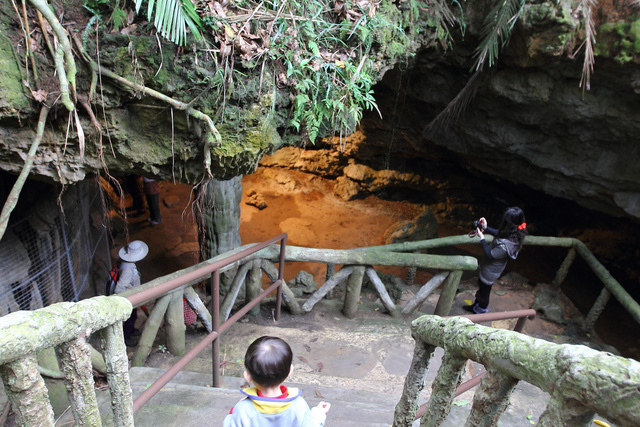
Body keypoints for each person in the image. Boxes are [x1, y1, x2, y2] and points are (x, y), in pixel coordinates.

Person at [223, 336, 331, 427]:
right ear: (290, 371)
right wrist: (318, 414)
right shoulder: (299, 406)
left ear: (247, 376)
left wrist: (234, 412)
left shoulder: (243, 410)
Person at [463, 207, 527, 314]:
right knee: (482, 288)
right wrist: (485, 227)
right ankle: (475, 306)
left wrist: (482, 238)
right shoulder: (513, 233)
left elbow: (489, 254)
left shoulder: (506, 246)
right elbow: (499, 233)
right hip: (489, 268)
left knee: (484, 293)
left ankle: (480, 311)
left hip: (490, 271)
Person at [115, 240, 149, 346]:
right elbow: (119, 289)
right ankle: (126, 338)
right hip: (129, 299)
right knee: (131, 318)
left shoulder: (128, 263)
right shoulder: (127, 269)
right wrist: (133, 293)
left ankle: (132, 330)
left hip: (132, 297)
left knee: (133, 316)